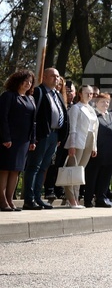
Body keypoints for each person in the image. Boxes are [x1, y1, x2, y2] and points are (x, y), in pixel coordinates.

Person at [21, 67, 66, 210]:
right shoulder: (39, 91)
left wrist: (61, 135)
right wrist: (34, 136)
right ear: (44, 77)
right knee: (34, 166)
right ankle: (29, 199)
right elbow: (35, 115)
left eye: (58, 76)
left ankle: (38, 197)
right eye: (53, 76)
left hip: (54, 135)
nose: (56, 79)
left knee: (44, 167)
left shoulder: (57, 94)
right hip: (42, 135)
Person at [0, 69, 36, 212]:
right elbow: (2, 118)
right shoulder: (8, 96)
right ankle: (1, 200)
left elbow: (33, 122)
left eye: (30, 82)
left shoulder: (30, 98)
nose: (28, 84)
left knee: (16, 170)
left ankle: (10, 199)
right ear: (17, 81)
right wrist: (5, 137)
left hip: (24, 141)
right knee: (4, 169)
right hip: (9, 139)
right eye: (25, 80)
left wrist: (33, 140)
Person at [62, 84, 99, 208]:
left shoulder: (91, 109)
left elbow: (95, 129)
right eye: (86, 92)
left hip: (89, 140)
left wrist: (94, 146)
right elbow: (72, 128)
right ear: (80, 93)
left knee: (80, 171)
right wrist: (72, 145)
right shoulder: (76, 108)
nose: (89, 95)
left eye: (91, 93)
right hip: (78, 140)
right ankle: (71, 199)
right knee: (72, 170)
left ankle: (76, 198)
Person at [85, 92, 112, 208]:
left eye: (107, 102)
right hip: (98, 150)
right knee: (93, 176)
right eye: (102, 101)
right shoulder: (94, 115)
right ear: (96, 103)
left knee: (106, 177)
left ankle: (101, 198)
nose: (105, 104)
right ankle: (88, 199)